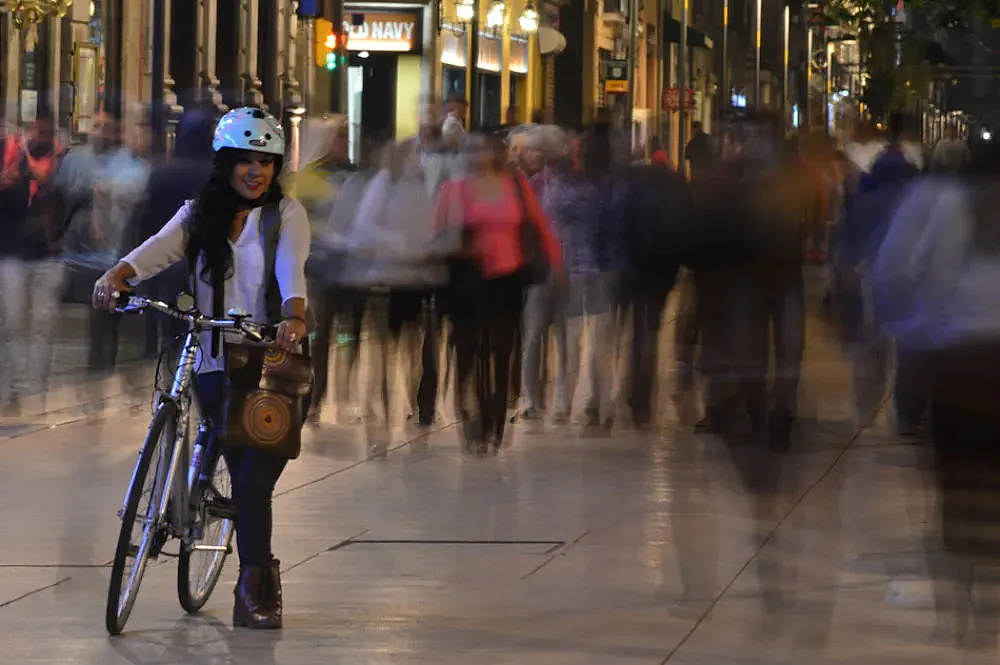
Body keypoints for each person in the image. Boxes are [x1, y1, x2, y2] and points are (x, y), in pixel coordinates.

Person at [92, 107, 310, 630]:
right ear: (225, 163)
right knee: (227, 443)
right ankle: (200, 472)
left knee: (254, 480)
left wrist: (294, 317)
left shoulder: (287, 215)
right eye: (245, 161)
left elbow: (291, 273)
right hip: (213, 353)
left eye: (267, 162)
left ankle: (256, 584)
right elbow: (155, 252)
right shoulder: (198, 214)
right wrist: (116, 276)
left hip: (271, 362)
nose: (256, 172)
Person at [436, 132, 563, 450]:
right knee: (467, 351)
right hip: (468, 279)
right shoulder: (456, 189)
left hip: (508, 278)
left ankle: (494, 416)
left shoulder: (516, 186)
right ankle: (469, 410)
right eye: (476, 151)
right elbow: (438, 232)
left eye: (488, 150)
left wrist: (556, 264)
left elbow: (539, 224)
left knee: (502, 350)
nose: (482, 157)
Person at [0, 113, 64, 416]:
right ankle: (17, 388)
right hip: (11, 252)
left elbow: (69, 202)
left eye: (44, 133)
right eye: (33, 131)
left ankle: (36, 393)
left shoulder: (63, 161)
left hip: (47, 254)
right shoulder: (11, 158)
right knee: (12, 324)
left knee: (42, 326)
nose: (37, 138)